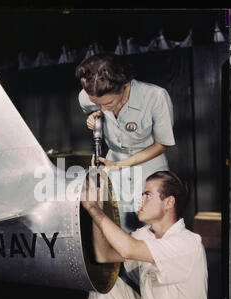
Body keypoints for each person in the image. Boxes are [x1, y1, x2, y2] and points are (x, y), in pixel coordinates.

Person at [78, 170, 208, 299]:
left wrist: (93, 209)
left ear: (169, 202)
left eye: (147, 195)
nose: (140, 201)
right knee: (105, 289)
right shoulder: (145, 235)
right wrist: (98, 208)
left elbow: (128, 249)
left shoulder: (188, 243)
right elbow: (104, 254)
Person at [75, 53, 175, 233]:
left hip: (149, 165)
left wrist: (121, 165)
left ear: (125, 85)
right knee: (118, 226)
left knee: (155, 228)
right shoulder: (87, 95)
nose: (103, 108)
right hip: (113, 165)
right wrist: (93, 117)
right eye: (98, 104)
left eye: (110, 103)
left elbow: (162, 144)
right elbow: (94, 108)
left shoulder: (156, 96)